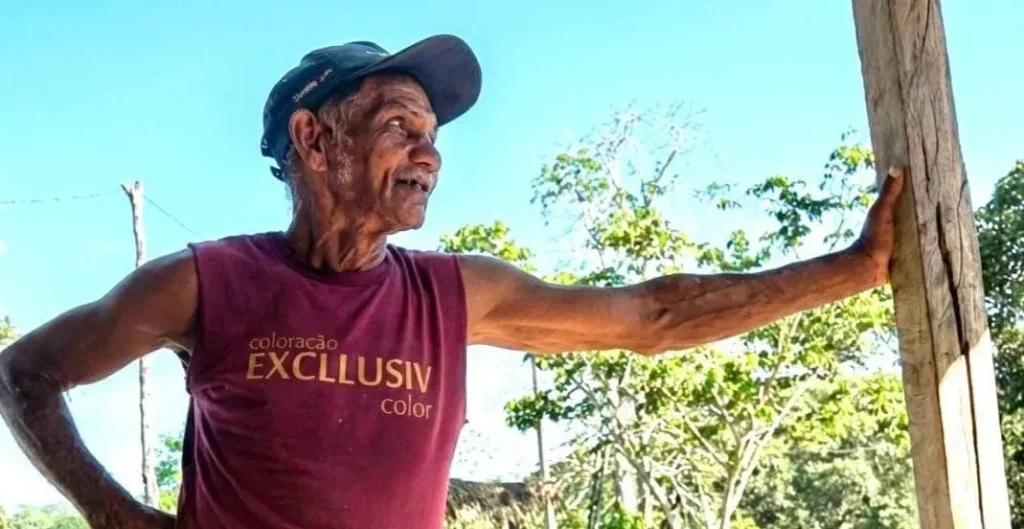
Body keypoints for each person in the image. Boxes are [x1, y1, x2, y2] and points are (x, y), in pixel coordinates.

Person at [0, 34, 904, 529]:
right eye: (400, 126)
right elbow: (24, 373)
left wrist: (856, 269)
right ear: (313, 139)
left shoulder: (454, 292)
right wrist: (116, 516)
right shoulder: (205, 283)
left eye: (433, 136)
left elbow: (652, 315)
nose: (429, 155)